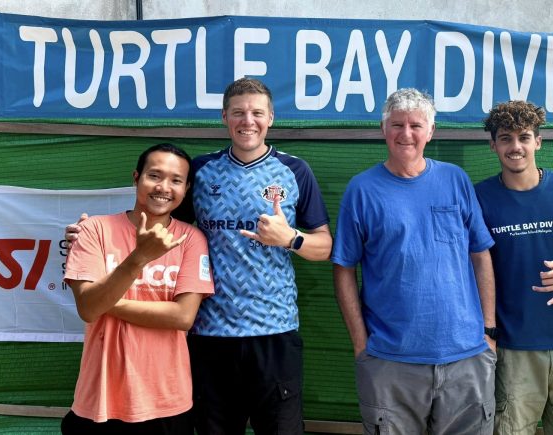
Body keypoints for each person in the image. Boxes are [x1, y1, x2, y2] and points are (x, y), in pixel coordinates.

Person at [66, 78, 333, 435]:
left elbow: (325, 247)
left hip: (275, 334)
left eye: (256, 113)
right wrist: (85, 238)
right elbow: (162, 218)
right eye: (238, 112)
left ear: (270, 117)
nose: (247, 121)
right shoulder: (203, 171)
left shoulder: (295, 171)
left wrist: (290, 239)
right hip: (209, 336)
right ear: (225, 117)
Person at [332, 88, 497, 434]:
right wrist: (361, 343)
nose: (406, 134)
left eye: (416, 125)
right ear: (383, 129)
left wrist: (488, 331)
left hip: (466, 356)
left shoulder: (455, 179)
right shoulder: (361, 190)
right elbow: (344, 269)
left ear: (431, 131)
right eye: (397, 124)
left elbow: (480, 255)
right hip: (390, 361)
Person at [61, 143, 214, 435]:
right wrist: (139, 257)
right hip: (99, 400)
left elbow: (182, 316)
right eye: (154, 176)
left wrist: (105, 298)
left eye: (176, 180)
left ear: (186, 188)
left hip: (167, 402)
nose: (164, 187)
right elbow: (88, 310)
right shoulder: (94, 230)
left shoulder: (191, 239)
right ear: (136, 178)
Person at [475, 101, 553, 434]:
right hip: (513, 348)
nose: (516, 147)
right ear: (493, 144)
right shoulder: (480, 198)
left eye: (524, 137)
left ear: (538, 141)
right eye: (505, 138)